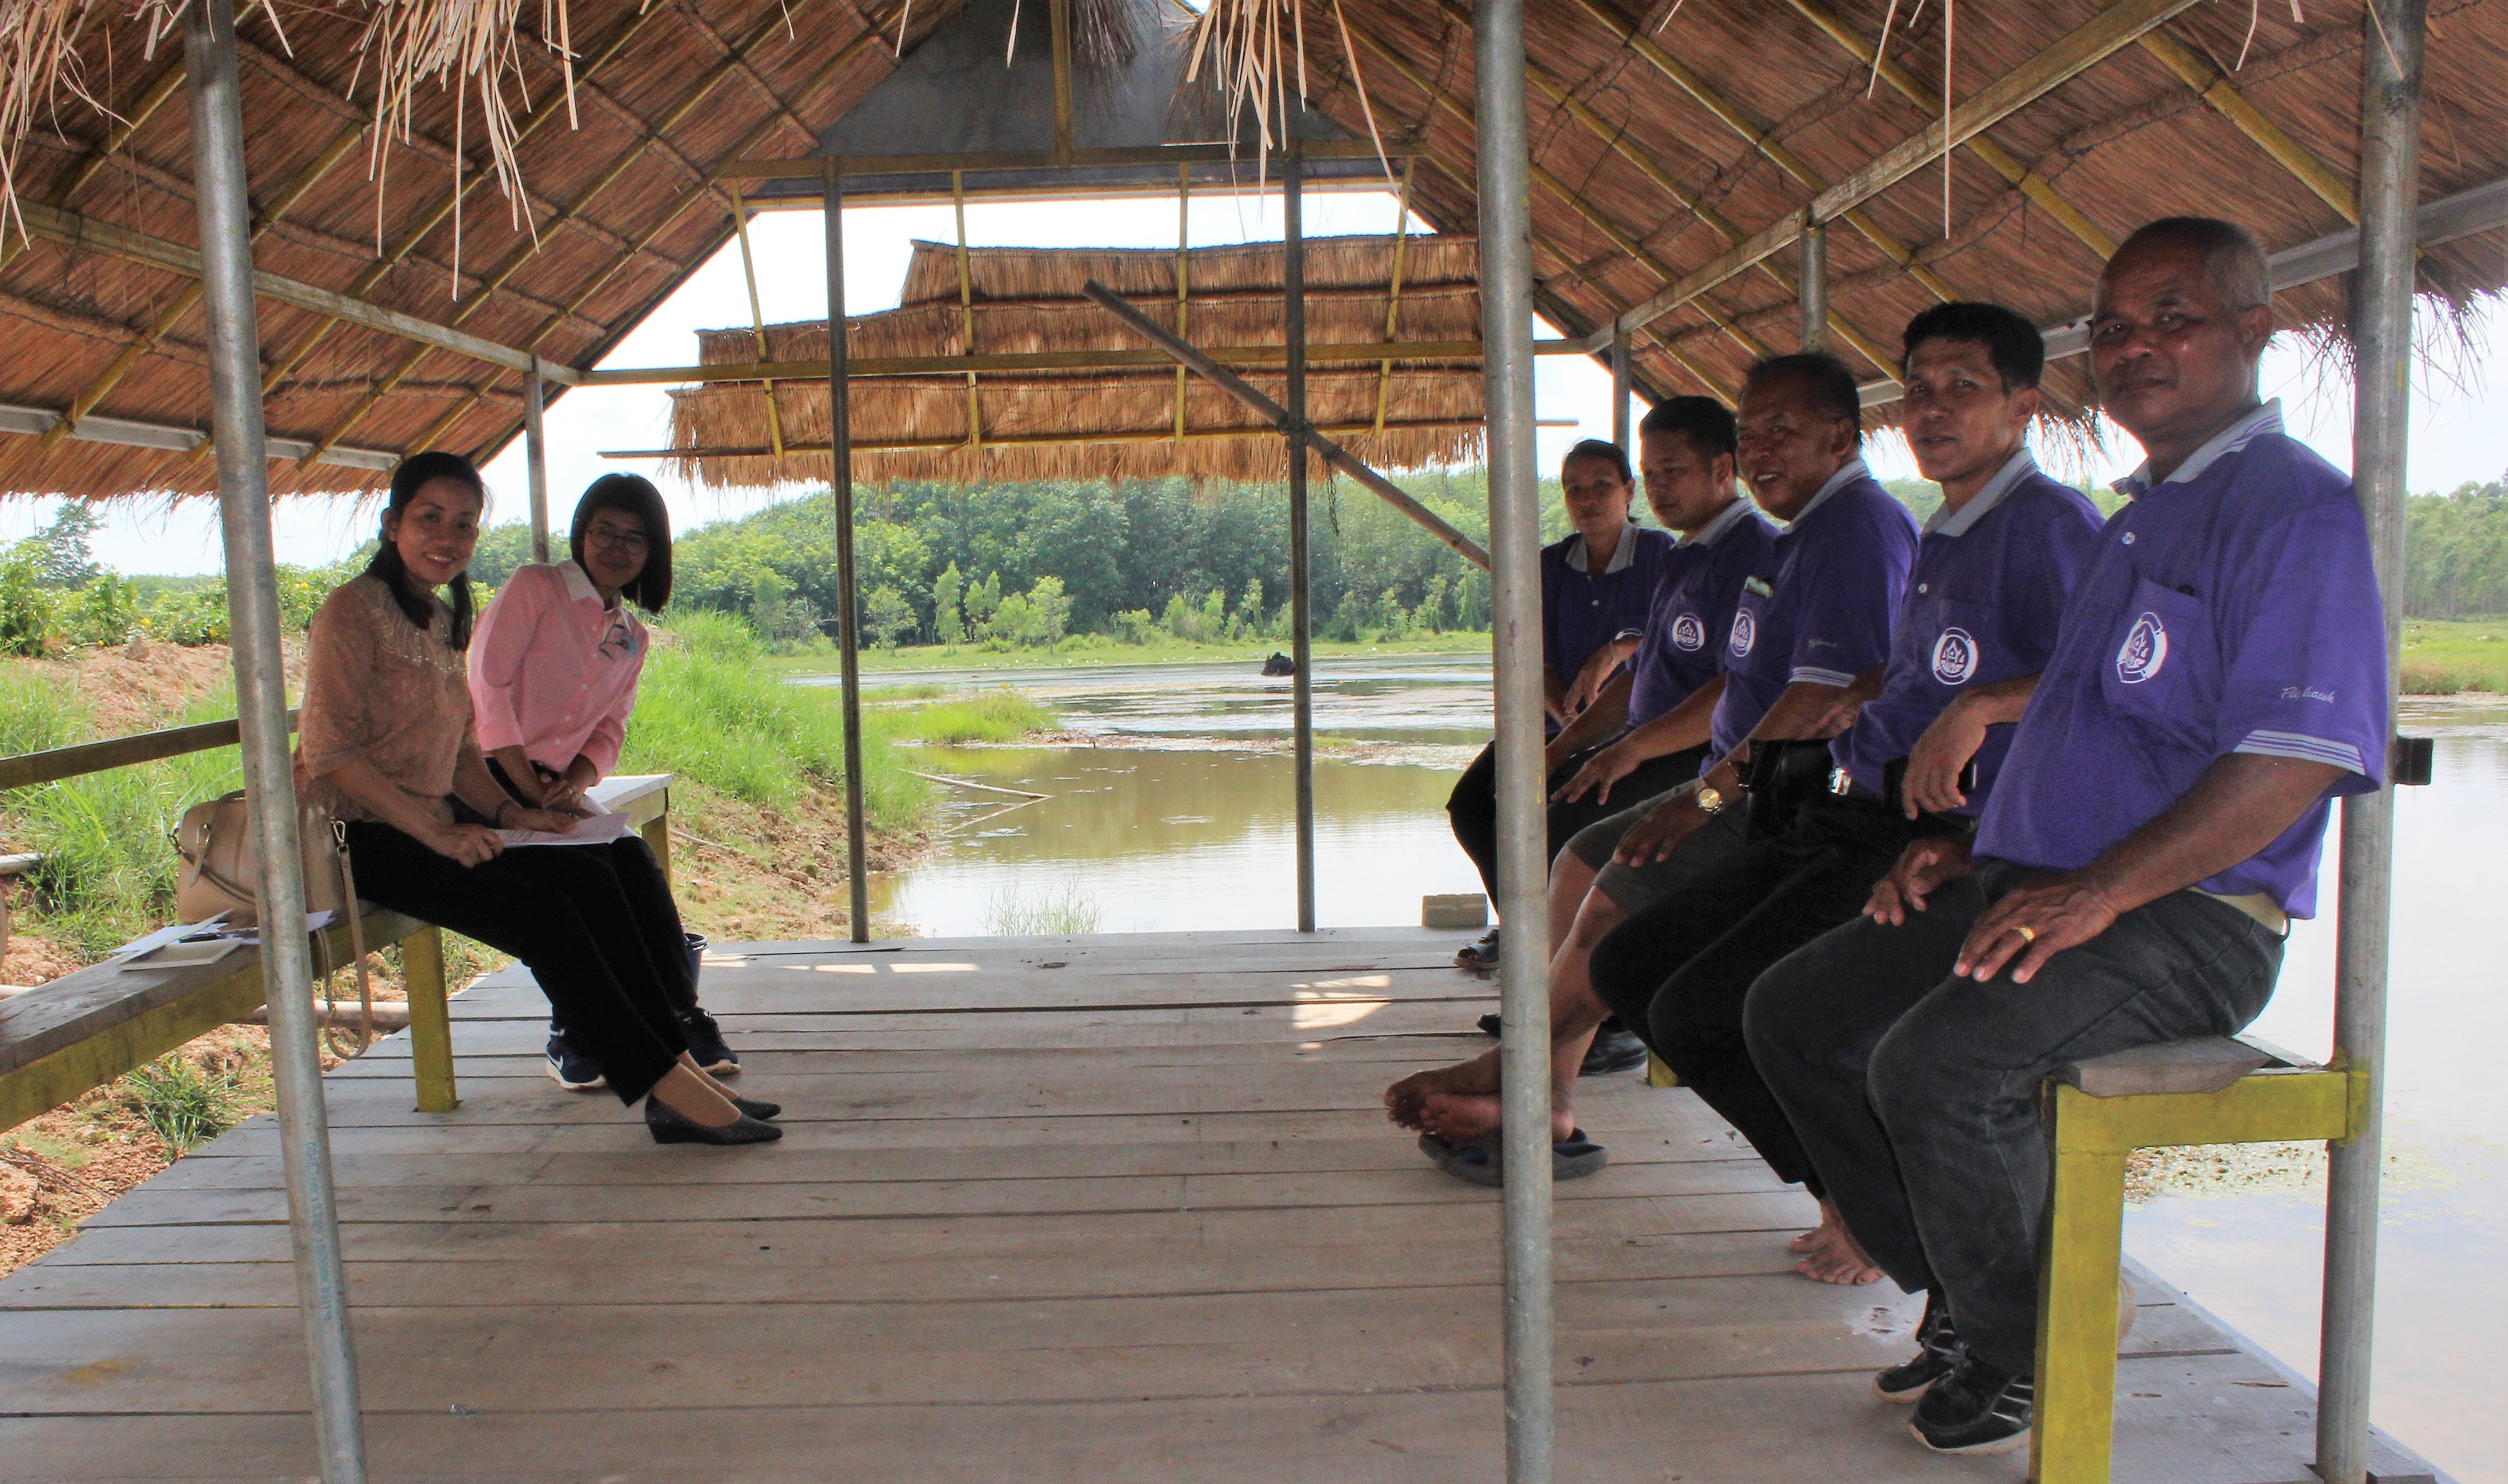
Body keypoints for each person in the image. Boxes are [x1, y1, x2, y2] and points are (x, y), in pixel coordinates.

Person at [1745, 218, 2389, 1456]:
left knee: (1937, 1063)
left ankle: (2025, 1342)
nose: (2134, 345)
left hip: (2187, 918)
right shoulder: (2141, 512)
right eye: (2112, 325)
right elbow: (2078, 714)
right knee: (1798, 1011)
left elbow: (2294, 760)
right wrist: (1967, 839)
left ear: (2252, 332)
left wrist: (2093, 890)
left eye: (2172, 316)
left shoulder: (2287, 511)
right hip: (2037, 877)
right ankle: (1967, 1291)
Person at [1586, 302, 2102, 1285]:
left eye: (1965, 388)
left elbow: (2097, 688)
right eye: (1919, 389)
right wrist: (1871, 701)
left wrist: (1981, 720)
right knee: (1646, 967)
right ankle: (1879, 1216)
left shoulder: (2049, 527)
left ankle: (1937, 1268)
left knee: (1756, 1011)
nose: (1934, 410)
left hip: (1948, 834)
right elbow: (1899, 676)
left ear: (2025, 406)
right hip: (1854, 807)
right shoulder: (1943, 530)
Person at [1388, 353, 1915, 1181]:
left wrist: (1701, 794)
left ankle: (1528, 1082)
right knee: (1577, 865)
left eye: (1783, 429)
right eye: (1753, 431)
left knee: (1623, 916)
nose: (1762, 449)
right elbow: (1734, 678)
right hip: (1731, 775)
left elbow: (1814, 699)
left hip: (1784, 797)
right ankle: (1547, 1091)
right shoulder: (1792, 537)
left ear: (1843, 437)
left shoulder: (1848, 534)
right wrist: (1585, 743)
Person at [299, 452, 780, 1147]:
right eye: (430, 518)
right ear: (392, 524)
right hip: (361, 840)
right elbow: (329, 752)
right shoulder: (351, 612)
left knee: (591, 875)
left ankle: (675, 1065)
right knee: (544, 914)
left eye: (465, 524)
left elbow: (464, 750)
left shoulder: (437, 616)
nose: (449, 537)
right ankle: (663, 1086)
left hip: (432, 824)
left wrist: (513, 814)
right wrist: (439, 835)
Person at [1467, 398, 1774, 1071]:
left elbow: (1732, 688)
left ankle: (1588, 1021)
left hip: (1715, 767)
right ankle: (1552, 1016)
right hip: (1639, 737)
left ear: (1724, 469)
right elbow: (1640, 680)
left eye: (1671, 471)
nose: (1660, 487)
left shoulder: (1751, 552)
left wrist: (1626, 749)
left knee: (1571, 831)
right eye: (1652, 471)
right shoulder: (1686, 556)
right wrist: (1562, 745)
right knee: (1510, 807)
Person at [469, 473, 740, 1089]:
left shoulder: (631, 634)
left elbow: (610, 729)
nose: (616, 548)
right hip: (484, 775)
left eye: (634, 539)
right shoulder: (536, 588)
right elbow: (490, 691)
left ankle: (679, 1015)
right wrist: (524, 785)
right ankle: (574, 1030)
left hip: (552, 784)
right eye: (604, 532)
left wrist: (578, 780)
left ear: (653, 550)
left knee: (635, 864)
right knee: (585, 880)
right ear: (582, 534)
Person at [1446, 439, 1673, 971]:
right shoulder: (1548, 565)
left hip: (1630, 730)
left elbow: (1665, 646)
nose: (1586, 499)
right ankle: (1521, 929)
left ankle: (1572, 953)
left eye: (1601, 486)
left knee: (1564, 821)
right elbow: (1536, 659)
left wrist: (1612, 651)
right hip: (1554, 727)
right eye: (1574, 488)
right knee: (1474, 806)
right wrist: (1563, 716)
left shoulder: (1662, 556)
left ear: (1628, 491)